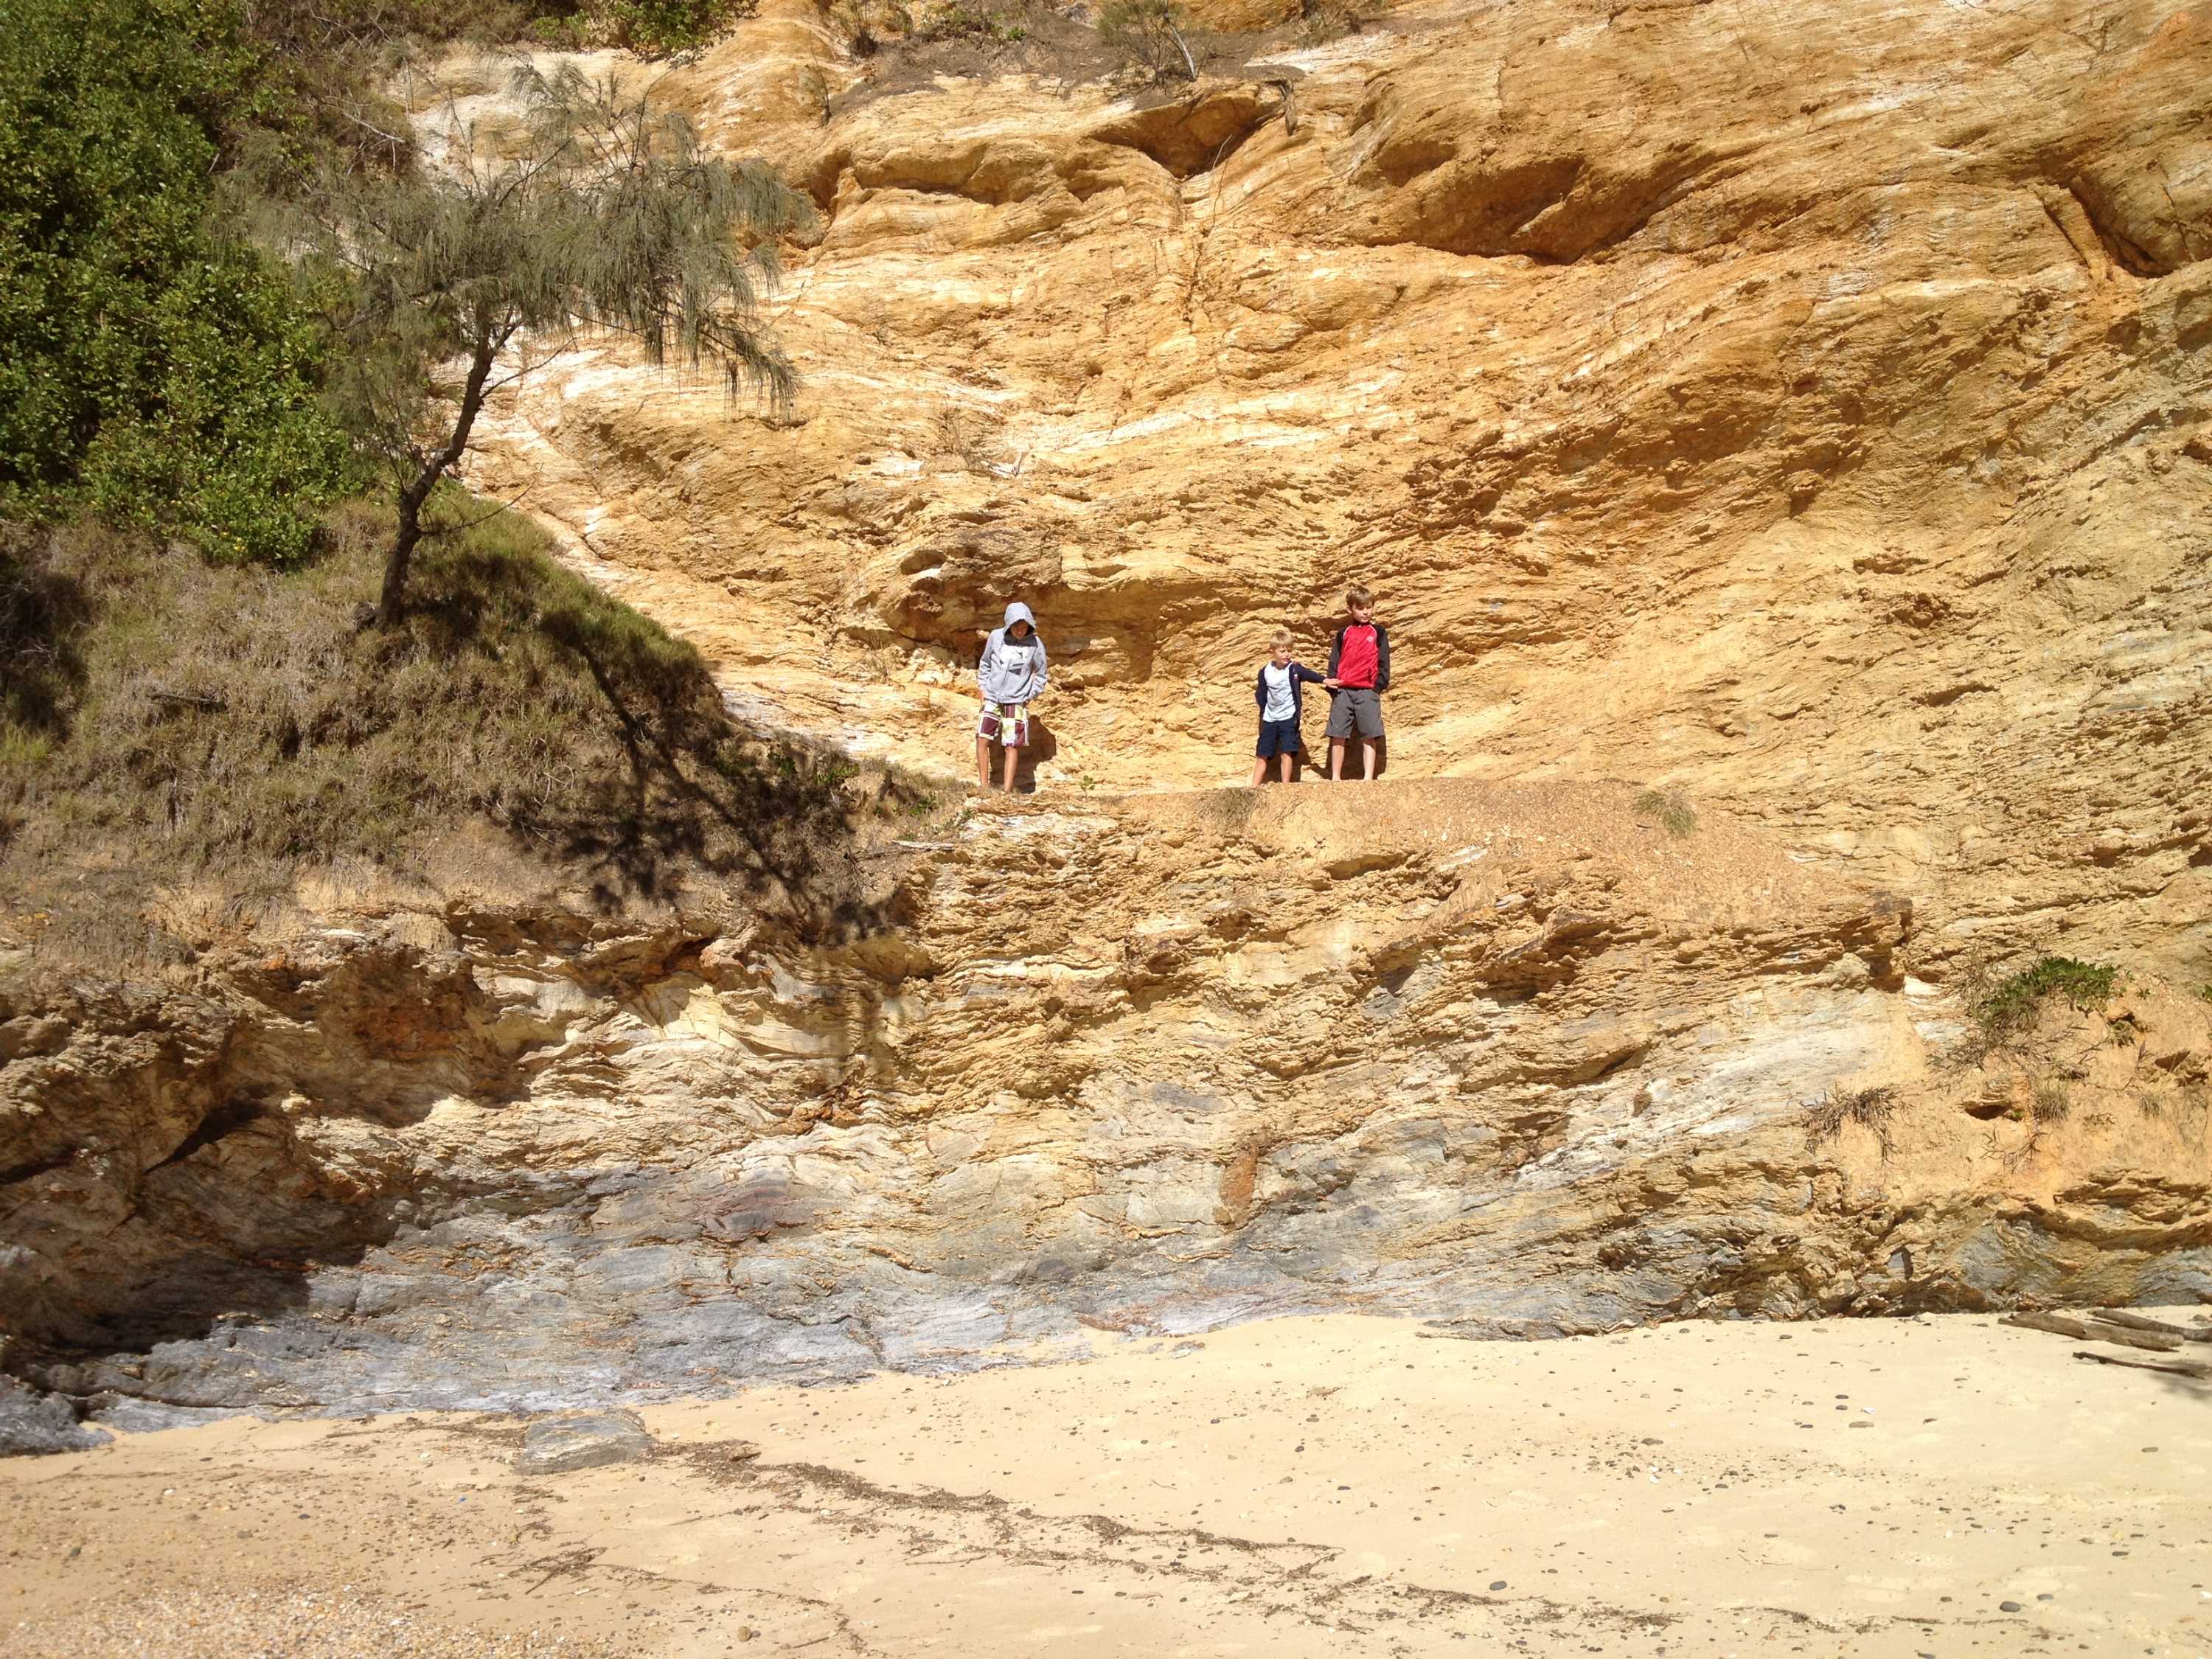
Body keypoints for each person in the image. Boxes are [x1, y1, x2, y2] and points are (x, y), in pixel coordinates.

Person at [976, 601, 1048, 793]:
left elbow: (1041, 675)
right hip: (992, 697)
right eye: (1016, 626)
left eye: (1024, 626)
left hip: (1016, 700)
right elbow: (985, 663)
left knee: (1011, 744)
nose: (1020, 630)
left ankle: (1007, 791)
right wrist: (983, 688)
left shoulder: (1035, 644)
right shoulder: (996, 636)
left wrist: (1028, 694)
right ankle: (984, 787)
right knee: (982, 738)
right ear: (1008, 624)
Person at [1325, 585, 1391, 782]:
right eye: (1360, 608)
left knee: (1369, 735)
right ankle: (1336, 777)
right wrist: (1333, 687)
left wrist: (1377, 687)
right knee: (1338, 735)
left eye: (1369, 607)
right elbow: (1335, 660)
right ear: (1350, 609)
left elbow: (1384, 661)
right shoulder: (1343, 633)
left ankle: (1368, 777)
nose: (1366, 612)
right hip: (1343, 690)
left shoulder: (1378, 632)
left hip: (1367, 691)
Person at [1251, 629, 1331, 786]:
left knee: (1286, 752)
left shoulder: (1294, 669)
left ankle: (1286, 787)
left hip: (1288, 718)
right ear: (1272, 652)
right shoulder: (1265, 671)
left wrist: (1325, 680)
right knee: (1263, 753)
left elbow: (1309, 675)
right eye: (1282, 651)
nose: (1287, 654)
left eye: (1289, 651)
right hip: (1270, 718)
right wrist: (1264, 710)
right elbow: (1261, 693)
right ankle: (1253, 787)